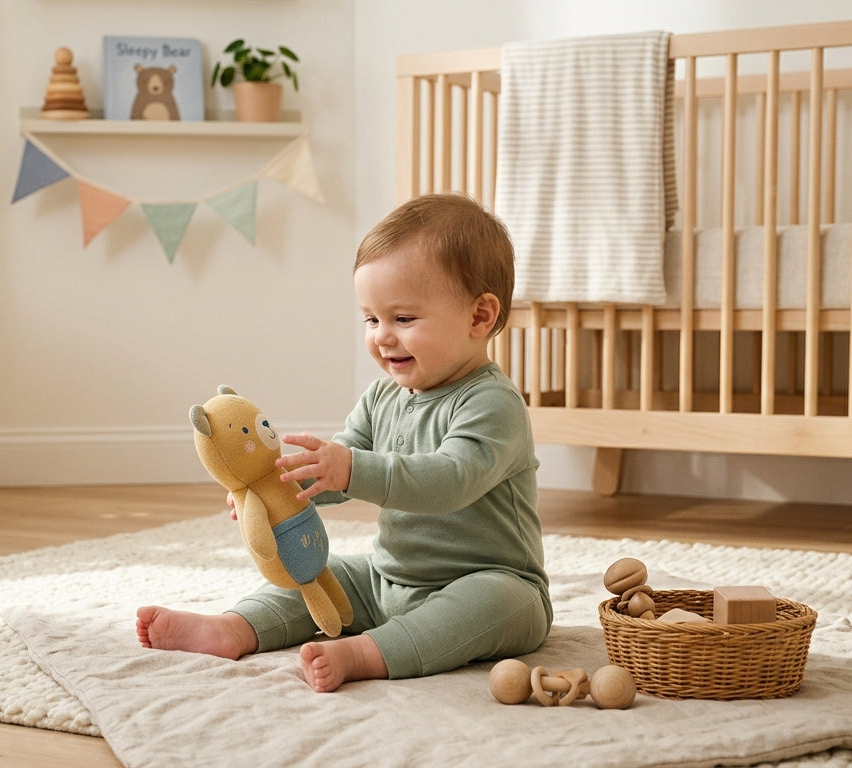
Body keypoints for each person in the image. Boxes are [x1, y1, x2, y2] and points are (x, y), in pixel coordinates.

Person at [136, 193, 550, 693]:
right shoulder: (382, 396)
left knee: (494, 603)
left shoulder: (493, 404)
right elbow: (333, 471)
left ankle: (368, 653)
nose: (381, 336)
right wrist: (275, 490)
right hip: (389, 579)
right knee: (317, 574)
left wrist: (352, 468)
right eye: (371, 319)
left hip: (491, 581)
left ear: (480, 317)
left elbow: (450, 480)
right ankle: (234, 627)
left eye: (403, 319)